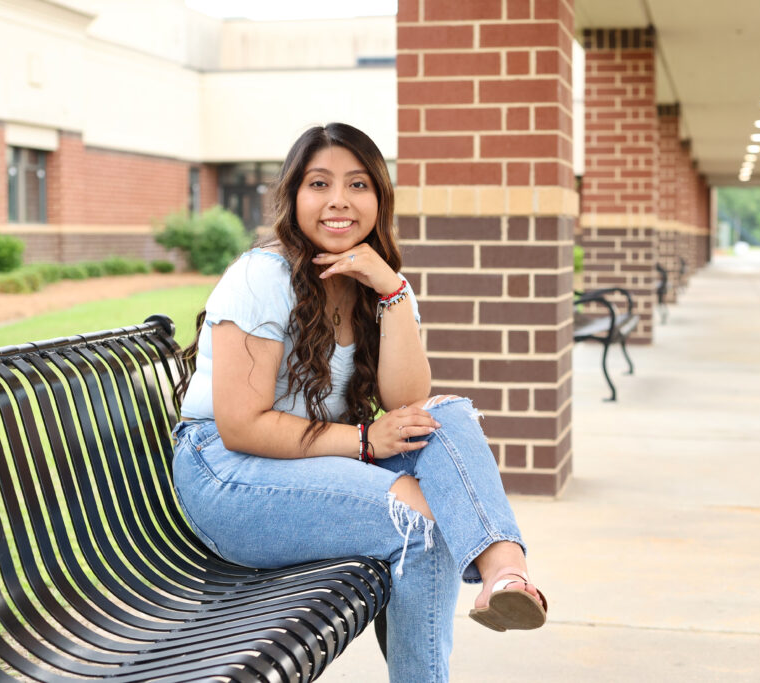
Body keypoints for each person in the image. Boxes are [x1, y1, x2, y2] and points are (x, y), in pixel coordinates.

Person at [170, 122, 547, 682]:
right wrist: (367, 440)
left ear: (378, 198)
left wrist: (391, 292)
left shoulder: (381, 282)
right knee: (417, 518)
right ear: (293, 196)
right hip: (227, 476)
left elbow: (406, 400)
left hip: (306, 464)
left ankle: (504, 572)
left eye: (358, 185)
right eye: (319, 185)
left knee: (447, 417)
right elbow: (241, 427)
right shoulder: (261, 276)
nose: (338, 202)